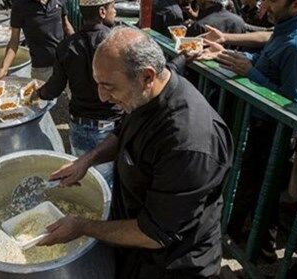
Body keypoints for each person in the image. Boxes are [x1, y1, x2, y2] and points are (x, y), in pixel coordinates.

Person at [39, 27, 233, 278]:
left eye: (109, 87)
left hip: (173, 263)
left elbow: (154, 233)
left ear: (146, 77)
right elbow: (123, 132)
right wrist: (86, 161)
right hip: (137, 247)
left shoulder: (189, 143)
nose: (102, 97)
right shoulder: (148, 93)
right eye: (98, 84)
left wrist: (83, 226)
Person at [201, 0, 297, 258]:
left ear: (296, 4)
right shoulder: (286, 30)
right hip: (259, 125)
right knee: (252, 185)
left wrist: (249, 72)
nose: (265, 4)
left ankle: (259, 251)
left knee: (264, 191)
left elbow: (294, 102)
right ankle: (240, 236)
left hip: (274, 132)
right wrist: (228, 55)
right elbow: (268, 62)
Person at [34, 0, 122, 184]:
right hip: (111, 132)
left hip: (80, 128)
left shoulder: (66, 46)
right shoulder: (117, 44)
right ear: (102, 11)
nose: (115, 12)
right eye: (112, 7)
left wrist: (37, 92)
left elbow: (54, 89)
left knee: (85, 183)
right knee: (106, 187)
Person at [0, 0, 74, 81]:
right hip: (41, 70)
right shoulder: (20, 6)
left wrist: (79, 50)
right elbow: (14, 41)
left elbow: (67, 26)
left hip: (65, 62)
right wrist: (4, 68)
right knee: (45, 100)